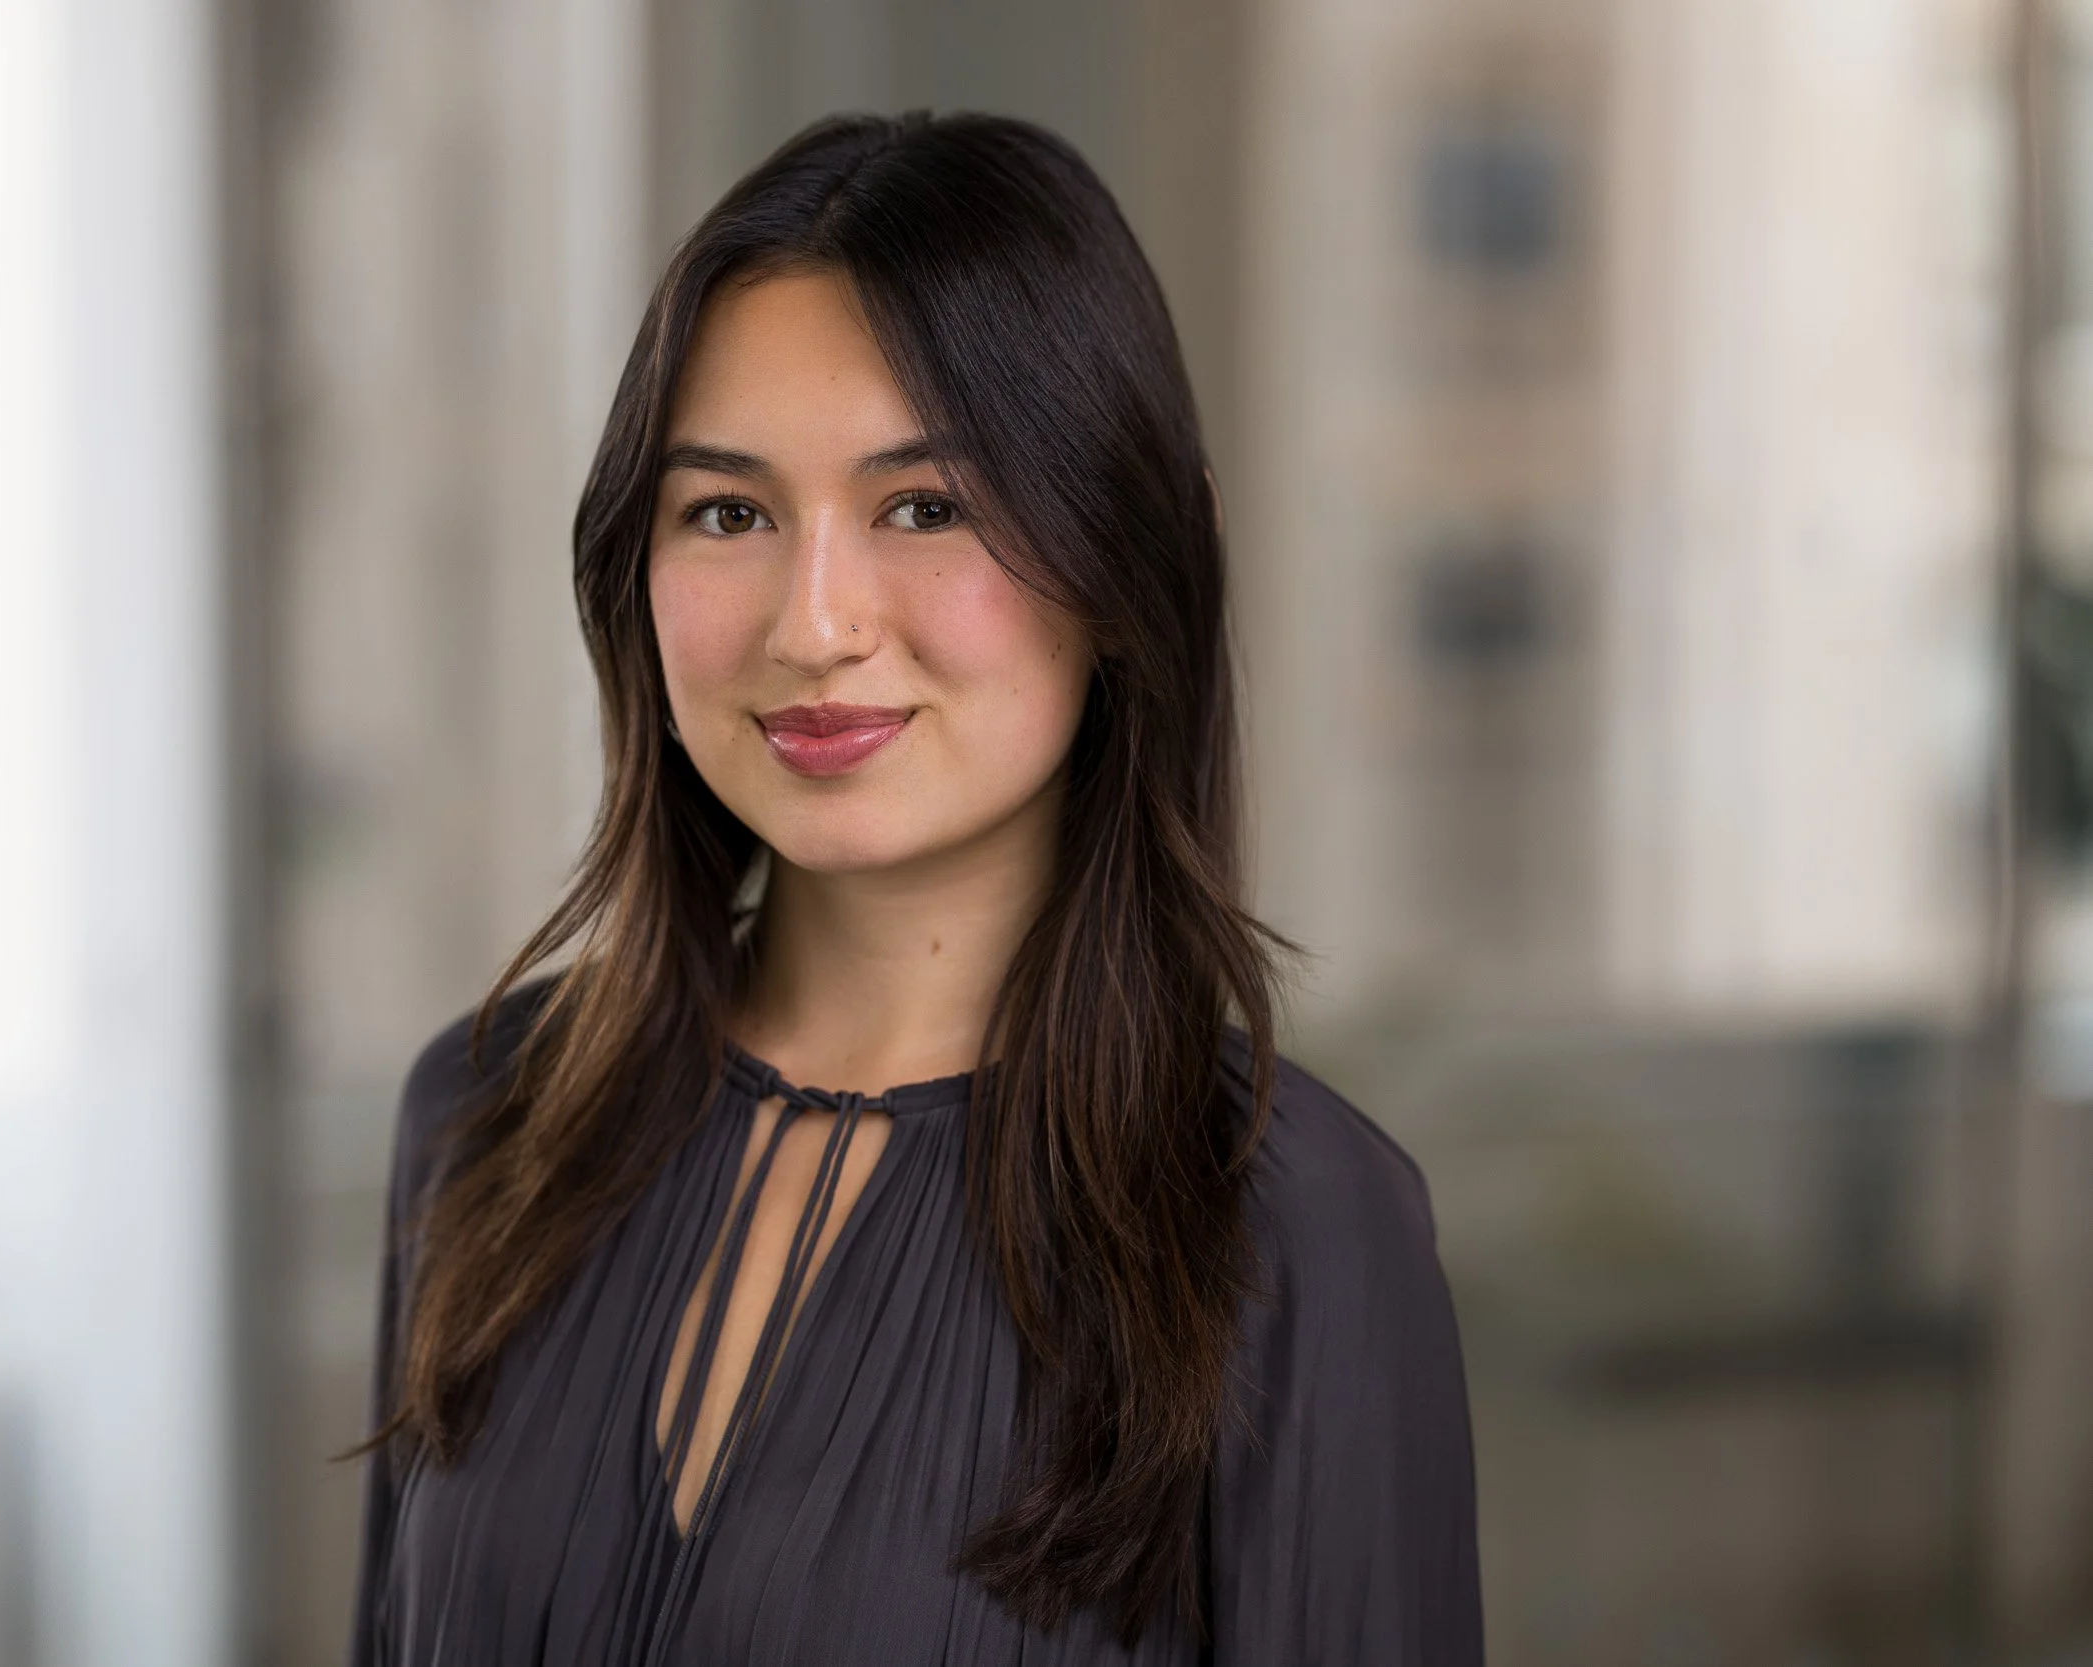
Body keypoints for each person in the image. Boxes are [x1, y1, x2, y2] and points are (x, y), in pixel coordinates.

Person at [346, 111, 1483, 1666]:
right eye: (728, 512)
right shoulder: (486, 1119)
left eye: (925, 506)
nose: (814, 623)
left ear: (1132, 555)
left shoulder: (1285, 1229)